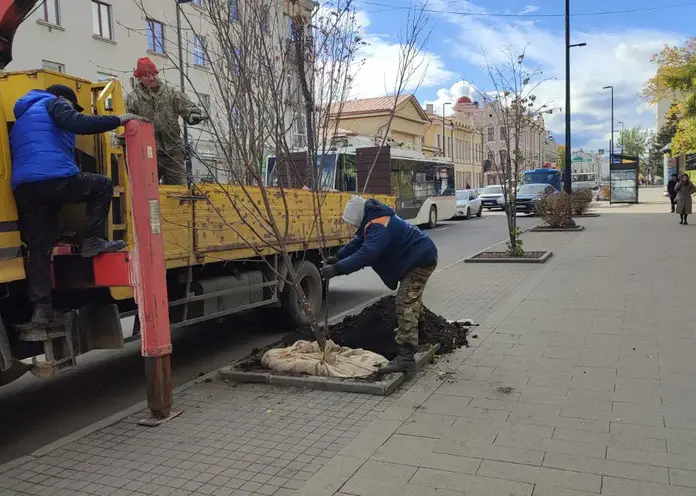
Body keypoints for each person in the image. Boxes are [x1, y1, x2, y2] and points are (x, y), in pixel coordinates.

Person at [11, 84, 144, 332]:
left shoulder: (23, 116)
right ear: (64, 98)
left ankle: (42, 310)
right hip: (53, 178)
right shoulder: (53, 103)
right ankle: (94, 241)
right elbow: (76, 122)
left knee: (40, 248)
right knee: (101, 185)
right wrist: (118, 119)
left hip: (26, 188)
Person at [320, 196, 438, 373]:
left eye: (353, 222)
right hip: (417, 257)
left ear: (359, 216)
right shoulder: (374, 220)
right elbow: (359, 242)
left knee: (405, 302)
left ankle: (406, 357)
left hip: (420, 261)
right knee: (412, 299)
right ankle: (422, 335)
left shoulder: (378, 225)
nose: (353, 226)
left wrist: (337, 269)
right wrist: (338, 257)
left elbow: (367, 253)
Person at [126, 57, 204, 185]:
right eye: (147, 76)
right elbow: (129, 126)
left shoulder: (171, 93)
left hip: (173, 155)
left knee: (179, 194)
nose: (152, 78)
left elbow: (186, 105)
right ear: (139, 78)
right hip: (148, 156)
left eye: (154, 74)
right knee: (148, 193)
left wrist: (193, 115)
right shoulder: (133, 99)